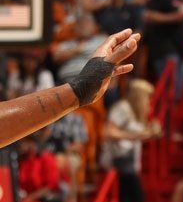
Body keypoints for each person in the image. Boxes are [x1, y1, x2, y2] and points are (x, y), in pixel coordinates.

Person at [0, 28, 140, 148]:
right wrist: (77, 90)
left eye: (32, 59)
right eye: (27, 58)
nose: (29, 62)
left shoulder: (44, 75)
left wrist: (78, 90)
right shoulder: (15, 75)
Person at [102, 79, 162, 202]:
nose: (148, 102)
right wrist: (138, 135)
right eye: (147, 98)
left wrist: (150, 131)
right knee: (135, 199)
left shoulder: (134, 113)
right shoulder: (122, 108)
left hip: (130, 163)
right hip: (119, 162)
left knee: (130, 201)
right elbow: (109, 131)